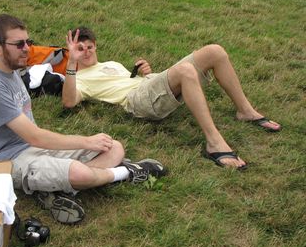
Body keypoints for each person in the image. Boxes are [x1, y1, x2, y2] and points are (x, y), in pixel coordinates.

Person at [0, 15, 166, 225]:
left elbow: (35, 137)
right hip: (6, 159)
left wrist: (71, 61)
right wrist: (86, 142)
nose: (27, 48)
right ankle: (125, 172)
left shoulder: (10, 69)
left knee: (113, 147)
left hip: (33, 146)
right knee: (80, 172)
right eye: (19, 44)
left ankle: (56, 190)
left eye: (28, 42)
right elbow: (35, 136)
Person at [62, 27, 282, 170]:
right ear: (72, 52)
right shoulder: (78, 78)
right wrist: (71, 64)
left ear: (96, 46)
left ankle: (245, 111)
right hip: (136, 101)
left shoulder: (111, 64)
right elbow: (69, 102)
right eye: (80, 49)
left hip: (147, 86)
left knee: (215, 51)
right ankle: (214, 143)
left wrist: (147, 74)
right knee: (186, 70)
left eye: (89, 47)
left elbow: (133, 82)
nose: (86, 52)